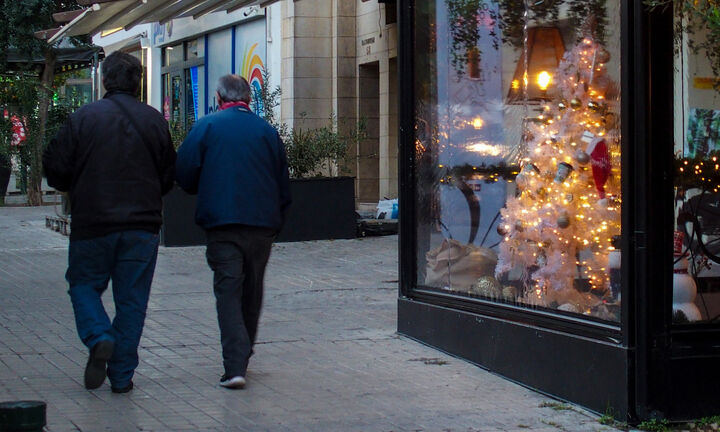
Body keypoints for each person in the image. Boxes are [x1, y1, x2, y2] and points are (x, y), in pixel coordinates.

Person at [43, 51, 176, 393]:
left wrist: (77, 184)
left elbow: (55, 170)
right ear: (138, 82)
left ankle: (99, 335)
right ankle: (121, 377)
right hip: (142, 227)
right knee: (132, 301)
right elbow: (167, 177)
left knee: (84, 285)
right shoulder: (154, 121)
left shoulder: (82, 119)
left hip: (93, 224)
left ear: (104, 80)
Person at [175, 74, 291, 389]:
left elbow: (184, 173)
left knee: (228, 291)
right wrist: (276, 218)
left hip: (222, 224)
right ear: (249, 99)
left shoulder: (207, 127)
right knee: (252, 291)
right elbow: (284, 183)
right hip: (262, 226)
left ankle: (235, 364)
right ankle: (244, 354)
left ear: (218, 97)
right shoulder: (267, 131)